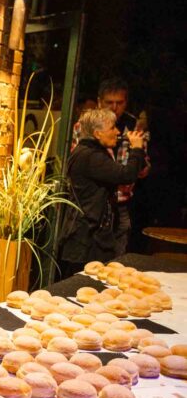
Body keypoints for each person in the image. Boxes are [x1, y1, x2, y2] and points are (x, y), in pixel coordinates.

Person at [58, 108, 146, 277]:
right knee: (85, 282)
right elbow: (126, 175)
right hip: (86, 238)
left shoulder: (89, 152)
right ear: (97, 134)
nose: (118, 132)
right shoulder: (91, 156)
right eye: (112, 128)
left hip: (87, 235)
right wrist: (136, 149)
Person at [97, 77, 150, 255]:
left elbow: (143, 170)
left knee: (118, 258)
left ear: (126, 103)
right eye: (109, 103)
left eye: (119, 103)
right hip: (94, 202)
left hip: (121, 203)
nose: (114, 108)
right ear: (99, 102)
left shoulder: (134, 126)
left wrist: (139, 154)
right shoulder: (87, 124)